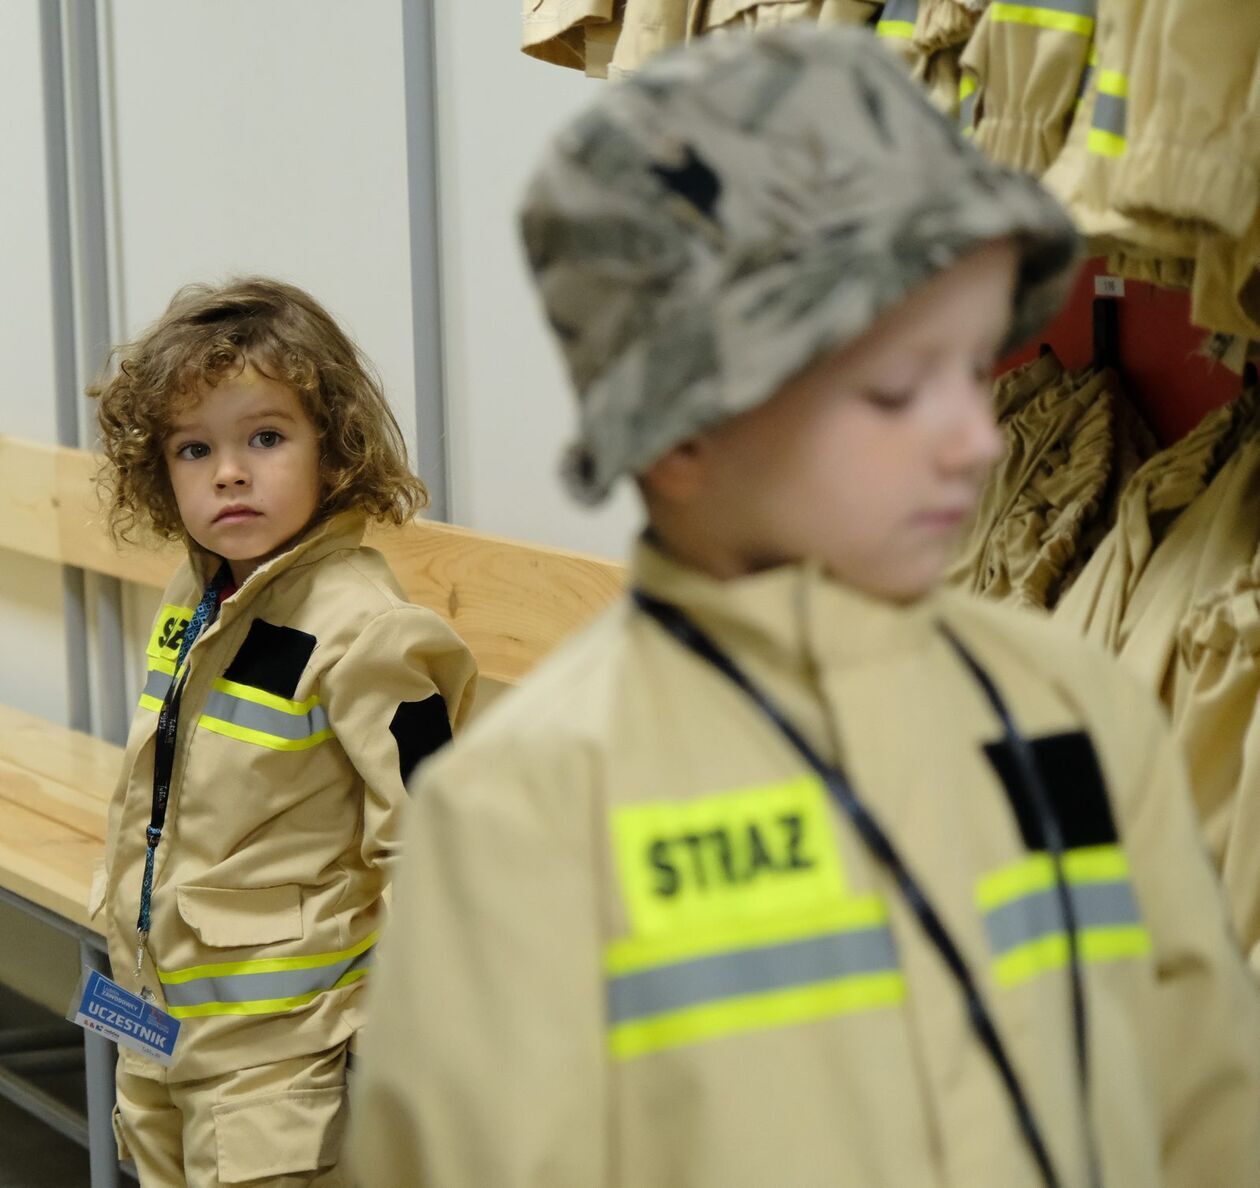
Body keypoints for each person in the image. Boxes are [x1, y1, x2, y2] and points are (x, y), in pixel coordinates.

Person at [349, 27, 1260, 1187]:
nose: (976, 437)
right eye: (893, 390)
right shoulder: (537, 808)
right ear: (678, 429)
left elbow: (1205, 1104)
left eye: (972, 364)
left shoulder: (1075, 708)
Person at [89, 277, 477, 1185]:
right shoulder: (199, 591)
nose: (229, 471)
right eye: (194, 449)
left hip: (276, 1054)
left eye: (265, 438)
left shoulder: (362, 626)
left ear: (333, 452)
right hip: (154, 1017)